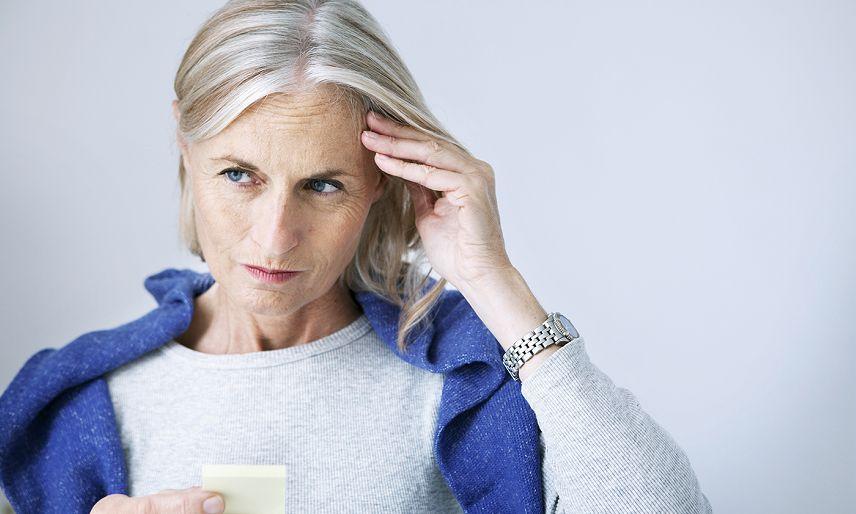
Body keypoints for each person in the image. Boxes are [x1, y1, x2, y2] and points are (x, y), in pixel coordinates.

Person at [0, 1, 712, 512]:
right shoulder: (83, 402)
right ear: (186, 149)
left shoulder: (460, 379)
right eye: (240, 175)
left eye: (323, 185)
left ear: (381, 181)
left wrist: (492, 281)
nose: (275, 237)